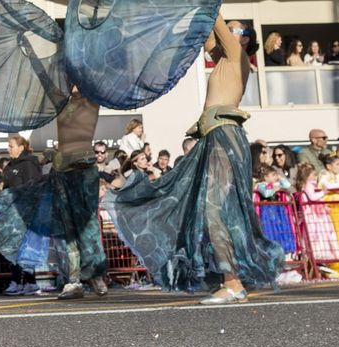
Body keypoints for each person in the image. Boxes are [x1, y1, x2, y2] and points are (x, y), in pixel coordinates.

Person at [110, 19, 291, 303]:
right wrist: (202, 12)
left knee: (214, 210)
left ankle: (232, 282)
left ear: (243, 39)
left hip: (223, 136)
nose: (227, 33)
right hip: (214, 137)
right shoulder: (224, 61)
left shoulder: (237, 56)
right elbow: (210, 35)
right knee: (209, 211)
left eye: (234, 30)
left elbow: (216, 22)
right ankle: (232, 281)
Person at [0, 91, 110, 300]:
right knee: (68, 229)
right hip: (62, 171)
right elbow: (46, 77)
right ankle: (73, 280)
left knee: (88, 225)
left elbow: (101, 77)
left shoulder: (92, 99)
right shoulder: (60, 101)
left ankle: (96, 273)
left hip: (84, 170)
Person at [1, 135, 43, 295]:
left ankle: (26, 281)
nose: (8, 148)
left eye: (11, 146)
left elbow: (33, 188)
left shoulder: (29, 165)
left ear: (21, 148)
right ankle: (20, 281)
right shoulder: (9, 166)